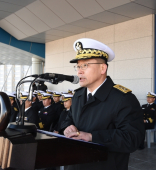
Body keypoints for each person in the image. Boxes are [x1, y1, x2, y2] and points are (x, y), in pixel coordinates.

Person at [61, 38, 145, 170]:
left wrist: (92, 137)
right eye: (78, 66)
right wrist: (68, 127)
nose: (79, 71)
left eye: (85, 65)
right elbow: (68, 119)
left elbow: (133, 138)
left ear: (102, 68)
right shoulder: (78, 95)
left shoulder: (123, 99)